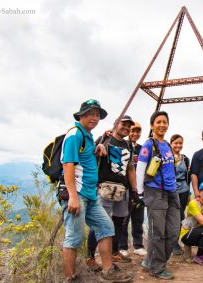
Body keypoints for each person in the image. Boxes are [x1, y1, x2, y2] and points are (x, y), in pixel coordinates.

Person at [60, 99, 131, 282]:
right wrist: (73, 197)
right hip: (77, 194)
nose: (94, 118)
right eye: (91, 113)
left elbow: (84, 158)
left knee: (106, 228)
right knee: (74, 237)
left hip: (91, 194)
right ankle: (71, 278)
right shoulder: (75, 134)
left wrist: (98, 147)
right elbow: (68, 165)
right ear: (81, 115)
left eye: (97, 115)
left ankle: (108, 271)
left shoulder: (88, 135)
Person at [86, 115, 137, 266]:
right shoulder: (105, 139)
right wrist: (100, 143)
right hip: (104, 188)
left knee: (119, 221)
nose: (126, 128)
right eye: (124, 124)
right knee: (100, 222)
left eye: (129, 126)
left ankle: (114, 252)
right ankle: (90, 256)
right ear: (115, 124)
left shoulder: (129, 145)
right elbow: (91, 155)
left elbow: (130, 168)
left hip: (122, 190)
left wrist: (134, 190)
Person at [136, 111, 180, 280]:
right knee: (157, 233)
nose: (162, 125)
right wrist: (140, 194)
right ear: (152, 125)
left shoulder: (167, 144)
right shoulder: (149, 145)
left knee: (174, 231)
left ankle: (150, 260)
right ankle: (157, 268)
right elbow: (140, 169)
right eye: (158, 122)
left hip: (172, 192)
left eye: (164, 122)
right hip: (155, 193)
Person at [119, 122, 147, 257]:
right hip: (125, 187)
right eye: (133, 131)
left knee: (138, 218)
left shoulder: (143, 149)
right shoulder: (122, 146)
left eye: (138, 131)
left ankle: (138, 245)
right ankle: (122, 246)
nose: (135, 134)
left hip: (140, 189)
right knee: (124, 217)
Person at [169, 134, 191, 256]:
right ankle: (173, 244)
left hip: (183, 190)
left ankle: (177, 242)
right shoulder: (167, 157)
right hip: (172, 190)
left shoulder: (185, 159)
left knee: (180, 217)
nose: (178, 145)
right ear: (171, 143)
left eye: (180, 143)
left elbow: (187, 176)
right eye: (175, 143)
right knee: (175, 216)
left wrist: (189, 193)